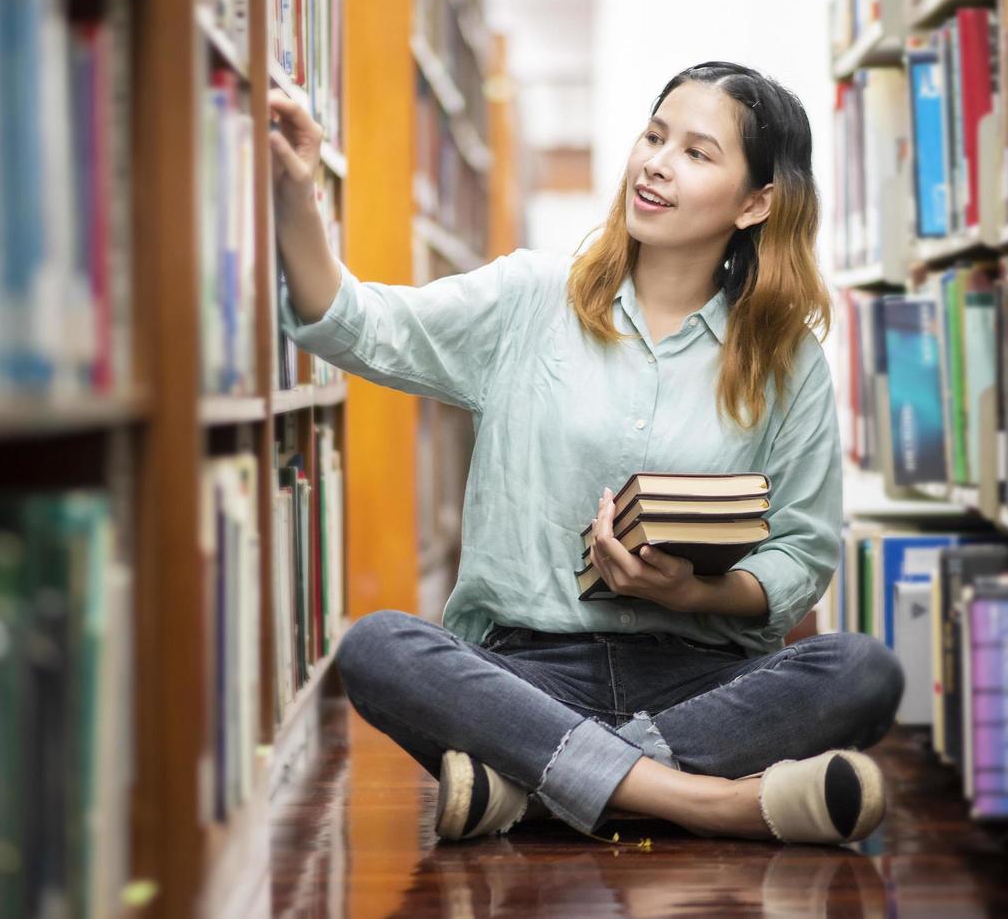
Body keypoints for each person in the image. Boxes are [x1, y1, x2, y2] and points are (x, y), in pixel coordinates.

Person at [267, 61, 903, 846]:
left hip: (698, 677)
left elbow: (802, 554)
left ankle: (529, 789)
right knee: (378, 647)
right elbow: (356, 323)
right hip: (525, 675)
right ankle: (705, 801)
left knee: (863, 670)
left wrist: (698, 595)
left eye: (697, 154)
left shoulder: (788, 361)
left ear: (757, 202)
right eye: (655, 135)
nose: (656, 163)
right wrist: (297, 194)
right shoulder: (532, 297)